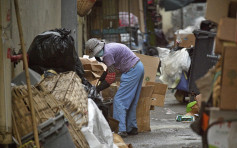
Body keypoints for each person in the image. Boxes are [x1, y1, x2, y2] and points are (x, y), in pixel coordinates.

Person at [85, 38, 144, 137]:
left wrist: (98, 88)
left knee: (119, 100)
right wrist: (104, 76)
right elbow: (110, 68)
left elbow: (111, 78)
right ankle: (131, 128)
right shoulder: (109, 48)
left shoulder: (107, 54)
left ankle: (121, 130)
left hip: (131, 71)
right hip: (138, 67)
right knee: (132, 101)